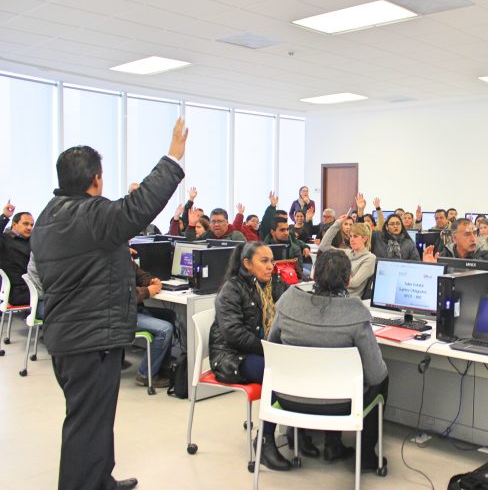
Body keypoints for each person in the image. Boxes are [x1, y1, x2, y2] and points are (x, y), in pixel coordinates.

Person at [32, 118, 187, 490]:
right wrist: (173, 159)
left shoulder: (48, 216)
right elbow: (138, 207)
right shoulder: (91, 214)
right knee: (86, 424)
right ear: (95, 180)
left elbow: (80, 264)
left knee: (93, 419)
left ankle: (101, 479)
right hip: (91, 340)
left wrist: (114, 254)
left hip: (68, 336)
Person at [269, 250, 389, 469]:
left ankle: (312, 439)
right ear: (348, 279)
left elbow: (272, 351)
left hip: (288, 399)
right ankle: (366, 456)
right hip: (341, 406)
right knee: (382, 379)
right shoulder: (356, 313)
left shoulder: (288, 301)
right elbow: (375, 374)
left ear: (313, 275)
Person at [208, 241, 295, 471]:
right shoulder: (232, 289)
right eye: (264, 261)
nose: (271, 266)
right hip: (231, 357)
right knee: (277, 375)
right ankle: (265, 442)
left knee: (293, 369)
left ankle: (298, 433)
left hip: (261, 352)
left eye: (272, 261)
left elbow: (293, 306)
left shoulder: (272, 285)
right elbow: (233, 334)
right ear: (247, 264)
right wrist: (270, 348)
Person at [133, 260, 173, 388]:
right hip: (122, 315)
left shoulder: (123, 259)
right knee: (165, 329)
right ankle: (145, 375)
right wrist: (147, 291)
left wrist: (151, 281)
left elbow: (140, 275)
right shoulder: (110, 264)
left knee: (168, 315)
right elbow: (122, 294)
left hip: (134, 309)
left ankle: (163, 368)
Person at [318, 216, 376, 298]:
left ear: (364, 239)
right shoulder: (346, 252)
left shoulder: (370, 258)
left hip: (349, 300)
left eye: (355, 236)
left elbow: (354, 283)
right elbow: (323, 246)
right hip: (333, 294)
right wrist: (337, 224)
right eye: (351, 236)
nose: (351, 239)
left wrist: (334, 276)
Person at [0, 204, 33, 305]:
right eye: (25, 224)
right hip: (16, 291)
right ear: (14, 225)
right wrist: (5, 217)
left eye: (32, 225)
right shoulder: (4, 240)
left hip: (32, 287)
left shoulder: (32, 242)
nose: (29, 227)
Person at [423, 218, 488, 262]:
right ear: (454, 238)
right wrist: (431, 269)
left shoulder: (487, 257)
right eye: (467, 234)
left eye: (474, 233)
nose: (473, 239)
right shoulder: (444, 257)